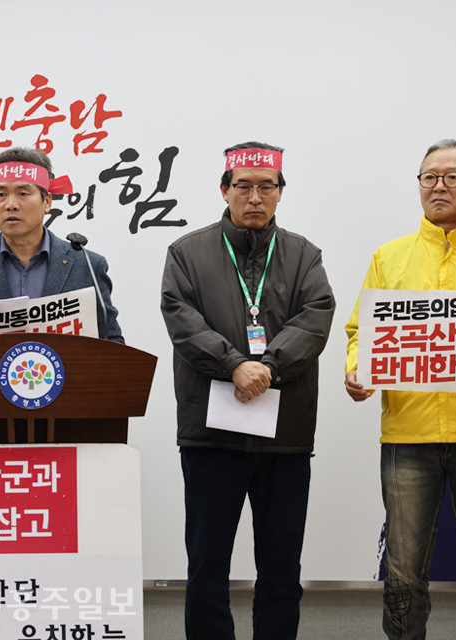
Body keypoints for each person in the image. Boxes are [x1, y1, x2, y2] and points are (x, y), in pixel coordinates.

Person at [160, 142, 334, 639]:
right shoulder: (187, 253)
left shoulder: (304, 255)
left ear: (280, 193)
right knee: (206, 565)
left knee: (281, 566)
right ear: (224, 190)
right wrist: (234, 364)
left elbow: (315, 318)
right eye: (243, 186)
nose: (254, 197)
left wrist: (268, 367)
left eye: (266, 186)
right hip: (210, 435)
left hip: (285, 436)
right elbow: (182, 320)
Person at [345, 139, 456, 640]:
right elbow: (360, 332)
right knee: (402, 574)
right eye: (429, 177)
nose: (439, 186)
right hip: (407, 433)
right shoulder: (389, 256)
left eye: (452, 177)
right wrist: (357, 371)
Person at [0, 146, 124, 346]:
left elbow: (113, 344)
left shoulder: (88, 266)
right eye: (1, 194)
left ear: (47, 202)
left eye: (23, 193)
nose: (11, 204)